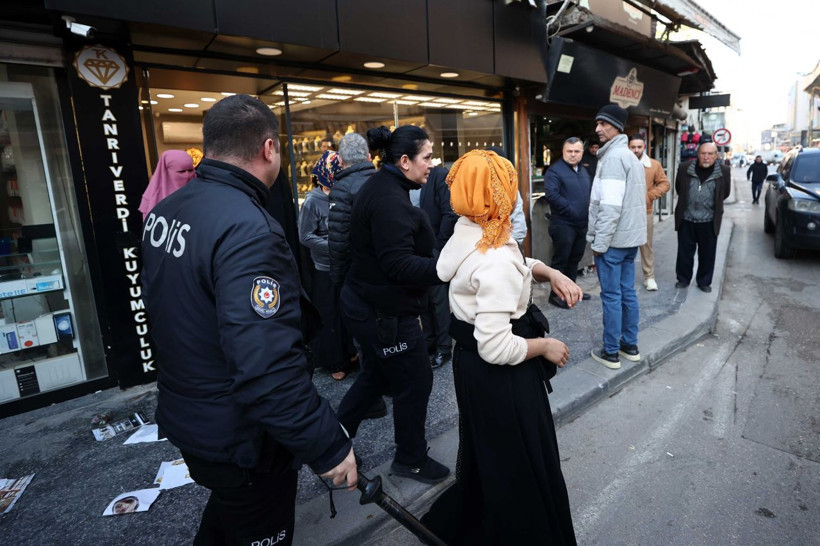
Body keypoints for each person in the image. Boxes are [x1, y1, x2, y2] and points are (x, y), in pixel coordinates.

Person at [141, 95, 356, 545]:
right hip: (240, 437)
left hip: (193, 416)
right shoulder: (247, 229)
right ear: (269, 148)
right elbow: (267, 366)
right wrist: (326, 445)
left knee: (229, 519)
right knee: (254, 522)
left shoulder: (169, 209)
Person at [421, 149, 580, 545]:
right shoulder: (493, 257)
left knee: (491, 457)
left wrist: (548, 271)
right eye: (508, 185)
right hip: (499, 376)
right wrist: (544, 346)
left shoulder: (468, 228)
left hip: (472, 369)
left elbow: (509, 263)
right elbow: (495, 345)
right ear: (498, 194)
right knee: (518, 466)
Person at [336, 125, 449, 484]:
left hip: (371, 306)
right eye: (427, 157)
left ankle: (332, 444)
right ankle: (411, 459)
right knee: (416, 380)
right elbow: (397, 264)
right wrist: (445, 268)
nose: (432, 164)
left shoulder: (386, 187)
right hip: (382, 313)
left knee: (376, 376)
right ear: (404, 161)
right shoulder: (388, 199)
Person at [587, 104, 646, 370]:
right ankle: (629, 345)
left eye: (604, 124)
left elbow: (610, 208)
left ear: (617, 127)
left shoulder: (612, 158)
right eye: (598, 123)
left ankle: (611, 352)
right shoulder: (629, 156)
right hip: (629, 239)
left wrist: (599, 244)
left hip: (612, 242)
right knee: (627, 293)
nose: (598, 128)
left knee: (611, 296)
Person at [299, 151, 353, 378]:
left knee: (348, 312)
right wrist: (332, 245)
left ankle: (350, 353)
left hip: (348, 265)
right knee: (330, 316)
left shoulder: (344, 195)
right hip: (324, 268)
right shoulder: (312, 201)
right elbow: (305, 235)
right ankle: (335, 362)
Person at [674, 142, 731, 293]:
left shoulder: (724, 171)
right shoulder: (685, 168)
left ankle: (704, 281)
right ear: (698, 154)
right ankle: (683, 279)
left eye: (710, 154)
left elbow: (725, 193)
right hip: (687, 219)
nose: (706, 157)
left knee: (707, 254)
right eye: (703, 153)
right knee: (684, 253)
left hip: (709, 221)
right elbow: (679, 187)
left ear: (716, 156)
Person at [417, 164, 458, 369]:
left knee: (438, 300)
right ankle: (429, 342)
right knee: (423, 298)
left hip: (435, 249)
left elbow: (450, 213)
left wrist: (438, 246)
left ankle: (444, 348)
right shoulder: (405, 179)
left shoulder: (438, 176)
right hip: (413, 250)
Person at [544, 137, 592, 309]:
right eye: (569, 151)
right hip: (563, 224)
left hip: (581, 224)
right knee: (561, 261)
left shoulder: (582, 170)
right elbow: (551, 195)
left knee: (574, 259)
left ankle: (571, 291)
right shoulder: (555, 171)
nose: (573, 154)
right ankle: (555, 295)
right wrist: (572, 209)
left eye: (576, 151)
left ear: (582, 153)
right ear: (563, 152)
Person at [628, 134, 671, 292]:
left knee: (646, 246)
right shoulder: (624, 163)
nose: (636, 150)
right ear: (629, 147)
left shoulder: (653, 164)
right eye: (633, 147)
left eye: (639, 147)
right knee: (625, 246)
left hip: (645, 211)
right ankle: (626, 279)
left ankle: (649, 277)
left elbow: (665, 184)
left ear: (644, 147)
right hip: (625, 212)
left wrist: (649, 196)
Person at [138, 149, 195, 220]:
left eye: (190, 170)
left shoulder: (200, 190)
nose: (187, 175)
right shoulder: (152, 198)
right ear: (167, 171)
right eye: (181, 171)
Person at [487, 146, 527, 245]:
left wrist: (507, 248)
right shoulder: (477, 190)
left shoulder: (511, 190)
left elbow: (519, 227)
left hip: (505, 247)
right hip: (482, 250)